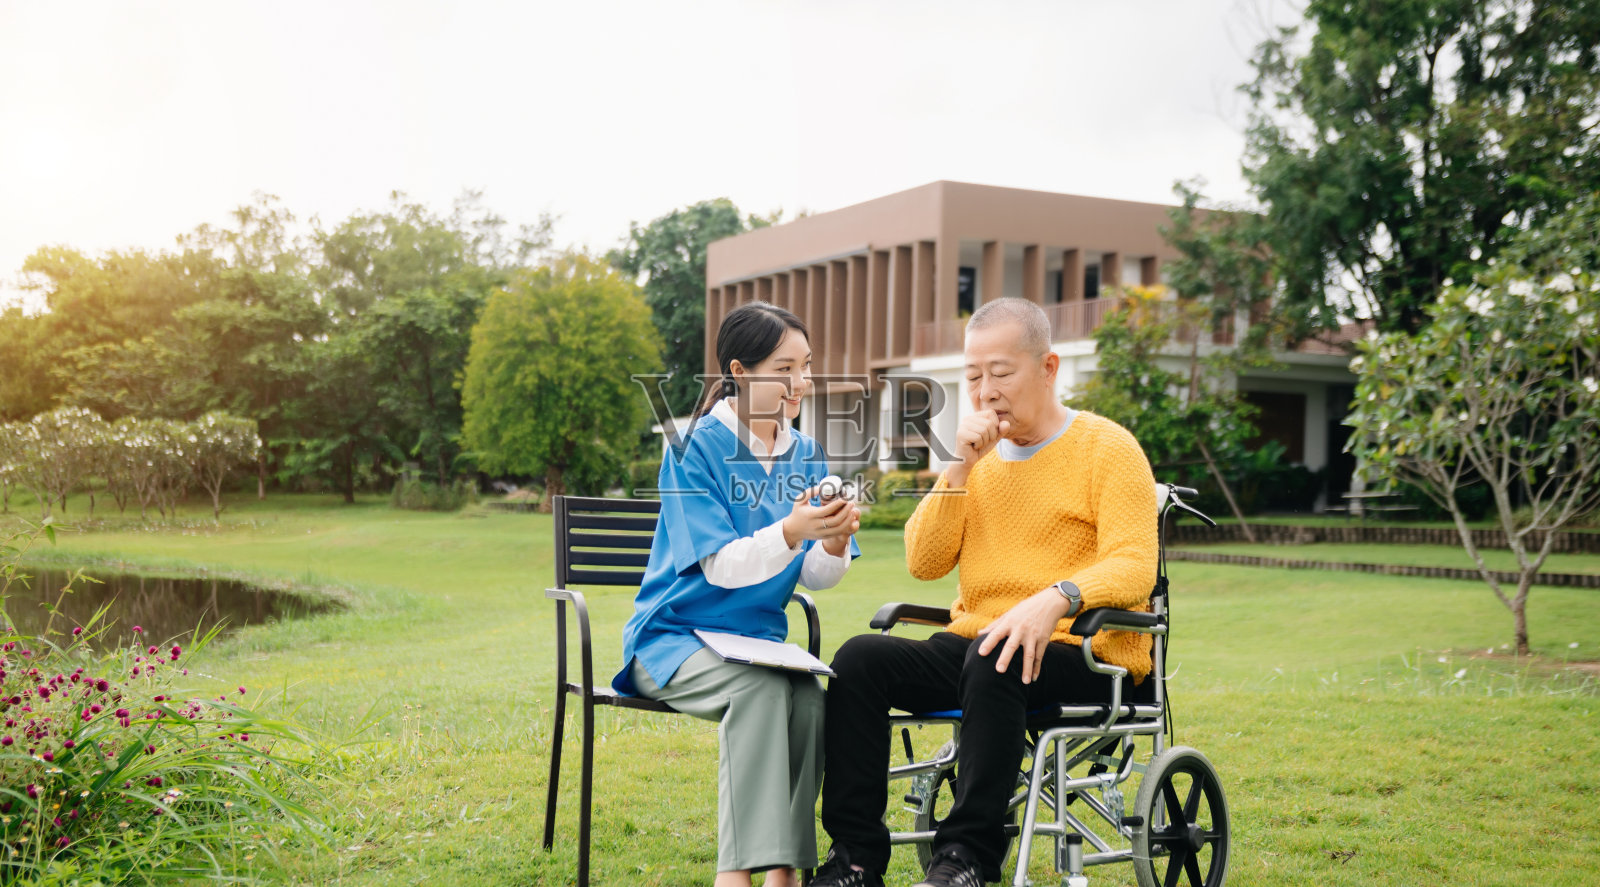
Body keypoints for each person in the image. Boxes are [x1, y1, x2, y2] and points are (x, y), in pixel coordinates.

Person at [810, 298, 1158, 887]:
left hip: (1085, 650)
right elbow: (924, 561)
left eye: (1001, 372)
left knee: (994, 655)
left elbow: (1134, 564)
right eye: (973, 376)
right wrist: (957, 471)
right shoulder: (977, 463)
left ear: (1048, 368)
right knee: (858, 661)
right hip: (981, 643)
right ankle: (856, 859)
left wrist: (1055, 599)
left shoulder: (1108, 448)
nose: (985, 390)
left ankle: (966, 857)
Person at [614, 301, 862, 887]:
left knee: (807, 699)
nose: (801, 383)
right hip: (674, 640)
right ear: (741, 371)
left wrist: (829, 543)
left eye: (806, 367)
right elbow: (721, 565)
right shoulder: (691, 448)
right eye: (785, 368)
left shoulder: (806, 454)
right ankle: (735, 876)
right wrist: (794, 530)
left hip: (758, 645)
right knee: (760, 694)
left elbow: (816, 579)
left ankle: (783, 873)